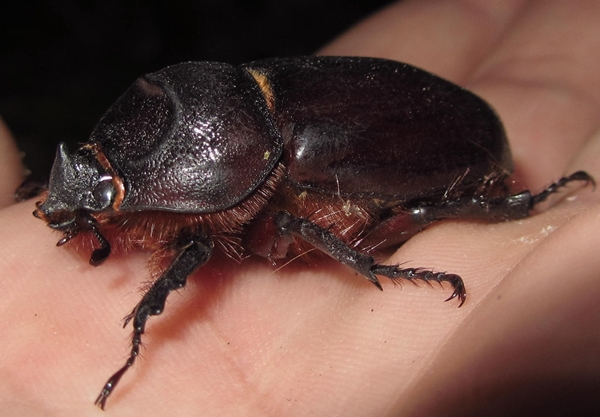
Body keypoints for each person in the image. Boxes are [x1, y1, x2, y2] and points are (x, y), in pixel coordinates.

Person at [1, 1, 599, 415]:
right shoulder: (233, 118)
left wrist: (140, 332)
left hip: (460, 148)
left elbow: (198, 249)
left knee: (403, 217)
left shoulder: (249, 173)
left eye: (109, 187)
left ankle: (513, 210)